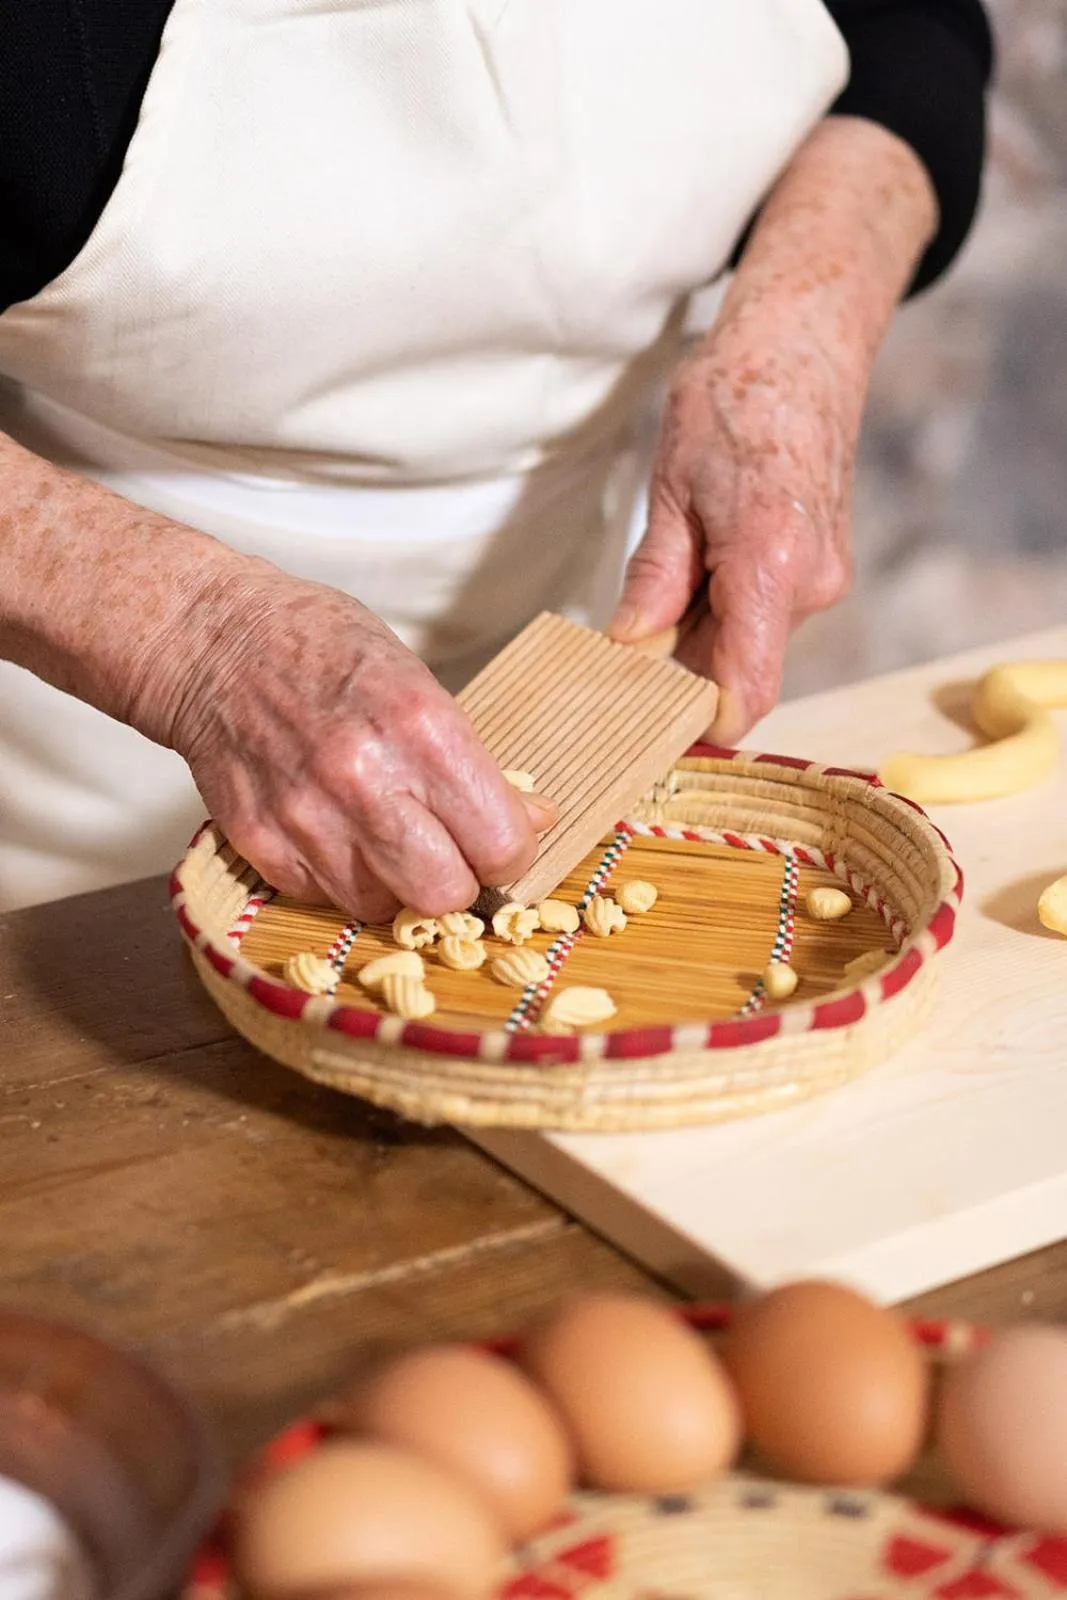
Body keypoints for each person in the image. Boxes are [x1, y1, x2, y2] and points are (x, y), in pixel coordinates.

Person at [0, 1, 992, 920]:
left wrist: (795, 339)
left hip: (563, 623)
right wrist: (194, 643)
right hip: (87, 786)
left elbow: (909, 33)